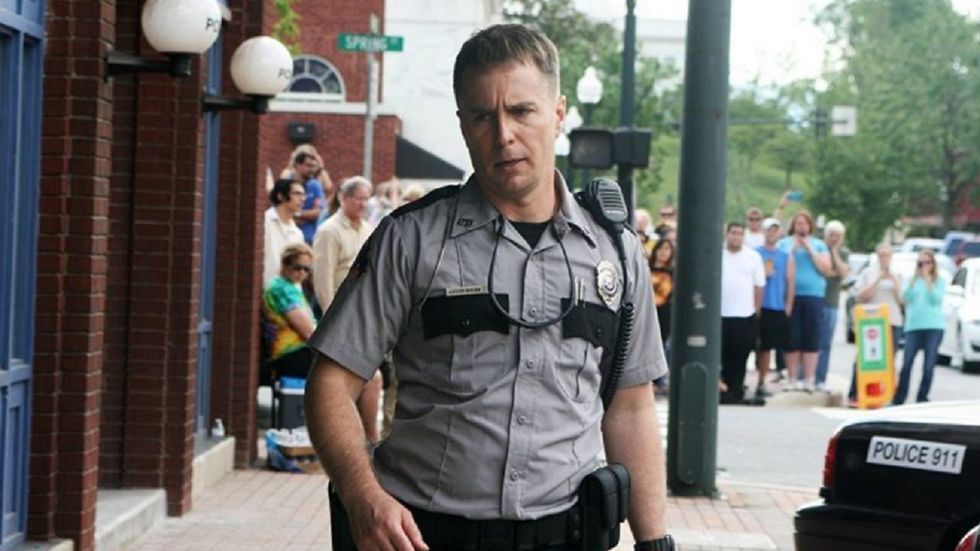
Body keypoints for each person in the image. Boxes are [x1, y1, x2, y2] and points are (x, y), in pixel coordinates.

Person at [304, 23, 673, 551]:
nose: (504, 135)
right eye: (483, 116)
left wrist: (654, 542)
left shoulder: (615, 251)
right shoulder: (410, 240)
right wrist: (363, 496)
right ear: (463, 125)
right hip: (427, 536)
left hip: (566, 535)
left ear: (558, 115)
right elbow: (330, 384)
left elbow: (631, 408)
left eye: (522, 111)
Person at [778, 211, 832, 391]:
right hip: (790, 296)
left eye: (804, 223)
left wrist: (809, 249)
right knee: (791, 338)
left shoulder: (819, 245)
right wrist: (793, 248)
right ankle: (792, 378)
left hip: (813, 295)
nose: (801, 226)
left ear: (810, 226)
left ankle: (809, 379)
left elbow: (826, 269)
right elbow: (780, 265)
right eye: (798, 223)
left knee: (811, 337)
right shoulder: (784, 244)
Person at [847, 243, 903, 405]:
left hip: (892, 320)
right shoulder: (868, 273)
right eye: (881, 255)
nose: (884, 258)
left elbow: (902, 299)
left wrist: (892, 278)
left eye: (887, 255)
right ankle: (855, 393)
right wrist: (878, 279)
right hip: (871, 322)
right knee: (864, 359)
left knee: (889, 359)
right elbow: (861, 296)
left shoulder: (897, 273)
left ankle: (887, 395)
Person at [891, 249, 947, 405]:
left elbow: (936, 299)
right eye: (920, 263)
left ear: (933, 264)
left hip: (933, 326)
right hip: (913, 327)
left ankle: (922, 397)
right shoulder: (911, 280)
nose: (923, 266)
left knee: (928, 366)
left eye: (927, 263)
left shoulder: (939, 281)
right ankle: (900, 397)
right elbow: (904, 299)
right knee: (907, 363)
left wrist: (928, 280)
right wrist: (913, 281)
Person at [312, 176, 374, 311]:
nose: (363, 204)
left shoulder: (368, 230)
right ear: (343, 198)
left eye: (366, 199)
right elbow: (323, 277)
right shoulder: (329, 230)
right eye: (359, 199)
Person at [720, 223, 766, 404]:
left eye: (740, 233)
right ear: (727, 234)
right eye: (733, 233)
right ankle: (720, 389)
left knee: (739, 356)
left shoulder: (753, 257)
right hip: (721, 315)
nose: (736, 237)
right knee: (720, 355)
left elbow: (759, 286)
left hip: (744, 314)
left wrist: (756, 310)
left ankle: (735, 391)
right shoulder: (718, 254)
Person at [261, 243, 318, 379]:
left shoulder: (290, 286)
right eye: (297, 267)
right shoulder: (282, 289)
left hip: (297, 351)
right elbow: (308, 332)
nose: (302, 273)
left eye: (307, 269)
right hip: (290, 353)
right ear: (285, 264)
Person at [755, 218, 794, 398]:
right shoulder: (756, 254)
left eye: (775, 230)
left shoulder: (785, 256)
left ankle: (762, 381)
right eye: (769, 230)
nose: (771, 234)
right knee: (754, 345)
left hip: (776, 305)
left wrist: (788, 305)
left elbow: (790, 282)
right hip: (758, 305)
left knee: (768, 347)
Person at [814, 220, 850, 392]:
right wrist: (831, 272)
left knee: (826, 343)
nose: (834, 238)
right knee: (811, 340)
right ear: (825, 235)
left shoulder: (843, 253)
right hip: (816, 300)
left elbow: (842, 273)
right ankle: (806, 376)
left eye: (838, 236)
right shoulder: (818, 249)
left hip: (832, 303)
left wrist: (834, 253)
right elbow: (823, 271)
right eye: (831, 235)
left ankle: (820, 379)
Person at [262, 179, 306, 287]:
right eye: (297, 194)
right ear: (280, 196)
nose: (303, 199)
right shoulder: (264, 222)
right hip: (264, 289)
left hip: (287, 294)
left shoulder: (298, 233)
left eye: (304, 195)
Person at [649, 238, 675, 395]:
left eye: (667, 249)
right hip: (649, 311)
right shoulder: (646, 268)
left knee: (663, 345)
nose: (664, 252)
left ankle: (660, 379)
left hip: (665, 312)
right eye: (661, 248)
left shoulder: (673, 272)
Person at [290, 151, 325, 244]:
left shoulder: (315, 185)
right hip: (287, 235)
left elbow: (318, 212)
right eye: (308, 165)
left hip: (309, 237)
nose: (312, 170)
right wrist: (307, 215)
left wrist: (296, 214)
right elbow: (281, 210)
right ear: (298, 166)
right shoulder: (286, 184)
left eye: (313, 166)